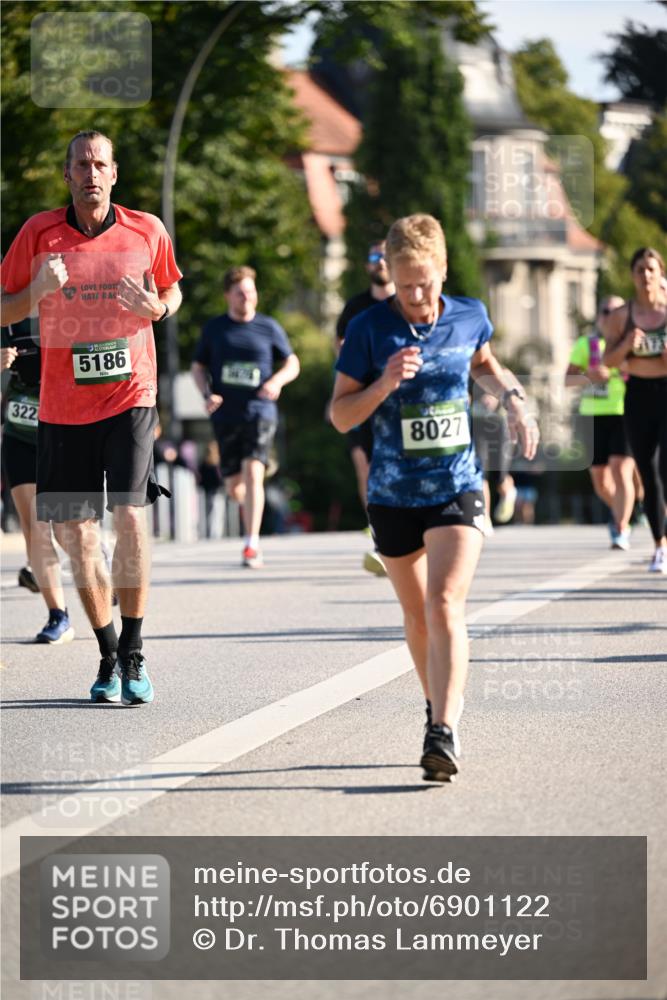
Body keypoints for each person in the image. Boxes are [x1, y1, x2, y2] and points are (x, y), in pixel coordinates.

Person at [331, 214, 538, 781]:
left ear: (442, 269)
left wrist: (515, 401)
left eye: (424, 283)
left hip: (456, 483)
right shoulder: (369, 329)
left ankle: (442, 730)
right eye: (404, 286)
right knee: (417, 615)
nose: (416, 297)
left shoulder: (469, 315)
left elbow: (486, 364)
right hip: (392, 494)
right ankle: (437, 704)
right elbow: (341, 414)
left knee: (445, 602)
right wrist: (384, 382)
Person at [0, 129, 183, 703]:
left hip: (131, 396)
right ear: (67, 175)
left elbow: (172, 289)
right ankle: (107, 655)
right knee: (76, 535)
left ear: (114, 173)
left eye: (100, 164)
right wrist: (36, 291)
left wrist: (158, 307)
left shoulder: (146, 229)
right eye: (81, 164)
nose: (91, 173)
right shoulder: (38, 233)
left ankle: (134, 649)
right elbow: (3, 308)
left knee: (129, 517)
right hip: (62, 406)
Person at [191, 266, 299, 568]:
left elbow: (292, 362)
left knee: (253, 472)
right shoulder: (215, 329)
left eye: (250, 292)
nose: (247, 297)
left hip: (260, 412)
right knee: (235, 486)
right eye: (240, 293)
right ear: (228, 295)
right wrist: (206, 394)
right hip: (226, 415)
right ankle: (249, 493)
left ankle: (252, 543)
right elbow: (198, 367)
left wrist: (276, 382)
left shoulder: (268, 327)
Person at [1, 317, 73, 643]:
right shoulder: (5, 316)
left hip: (62, 430)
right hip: (19, 431)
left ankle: (96, 562)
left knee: (66, 529)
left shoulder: (67, 305)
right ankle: (58, 615)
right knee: (35, 525)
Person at [603, 248, 667, 573]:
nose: (646, 275)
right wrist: (627, 344)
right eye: (640, 269)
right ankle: (660, 546)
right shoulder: (620, 316)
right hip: (638, 395)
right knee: (649, 473)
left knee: (666, 468)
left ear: (660, 273)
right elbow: (608, 361)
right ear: (632, 275)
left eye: (651, 269)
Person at [335, 241, 395, 576]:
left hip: (398, 400)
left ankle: (399, 533)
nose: (381, 262)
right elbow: (339, 347)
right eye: (375, 257)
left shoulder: (405, 303)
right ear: (367, 265)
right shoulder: (355, 308)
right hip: (362, 399)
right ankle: (379, 530)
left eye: (385, 256)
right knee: (366, 466)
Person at [565, 296, 635, 549]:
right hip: (593, 415)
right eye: (606, 311)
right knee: (601, 481)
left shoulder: (632, 343)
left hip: (624, 413)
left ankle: (620, 528)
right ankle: (624, 509)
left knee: (621, 469)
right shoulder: (587, 344)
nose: (610, 316)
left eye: (617, 310)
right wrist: (589, 376)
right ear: (598, 316)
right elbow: (567, 380)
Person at [470, 387, 517, 534]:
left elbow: (512, 388)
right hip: (477, 424)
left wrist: (496, 397)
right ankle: (485, 518)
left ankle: (508, 490)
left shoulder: (500, 373)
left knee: (499, 477)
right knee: (480, 472)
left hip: (500, 424)